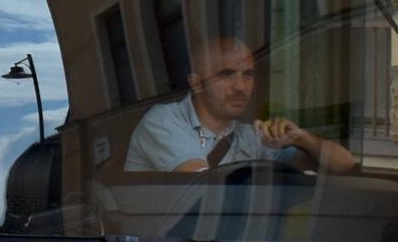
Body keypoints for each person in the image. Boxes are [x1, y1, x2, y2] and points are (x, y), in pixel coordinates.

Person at [126, 35, 360, 175]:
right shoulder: (164, 121)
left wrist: (300, 139)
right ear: (197, 84)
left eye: (248, 74)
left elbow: (345, 165)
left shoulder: (248, 136)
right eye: (227, 74)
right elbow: (205, 189)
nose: (241, 86)